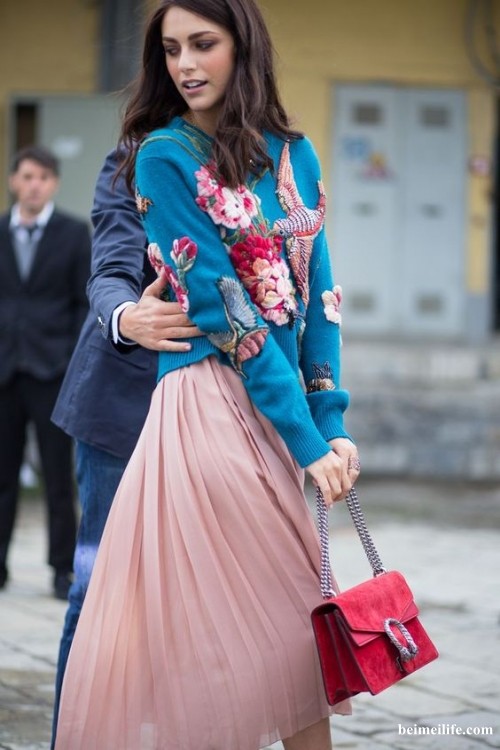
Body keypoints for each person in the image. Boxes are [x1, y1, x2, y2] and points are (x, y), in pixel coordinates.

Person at [54, 1, 361, 748]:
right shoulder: (157, 155)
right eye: (171, 49)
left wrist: (331, 425)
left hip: (273, 412)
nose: (185, 65)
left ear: (242, 46)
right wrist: (127, 317)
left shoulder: (297, 155)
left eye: (202, 44)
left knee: (293, 633)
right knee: (128, 612)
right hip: (197, 402)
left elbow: (320, 300)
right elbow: (227, 312)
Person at [50, 147, 201, 747]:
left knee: (197, 601)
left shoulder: (262, 164)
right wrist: (124, 317)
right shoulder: (133, 159)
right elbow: (111, 263)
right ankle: (71, 736)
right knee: (97, 590)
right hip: (120, 407)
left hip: (217, 410)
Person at [0, 146, 91, 600]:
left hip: (53, 372)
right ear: (13, 181)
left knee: (58, 477)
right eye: (27, 176)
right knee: (2, 476)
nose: (34, 185)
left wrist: (70, 359)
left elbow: (84, 304)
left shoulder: (74, 234)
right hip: (4, 373)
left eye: (42, 177)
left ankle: (61, 569)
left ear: (53, 183)